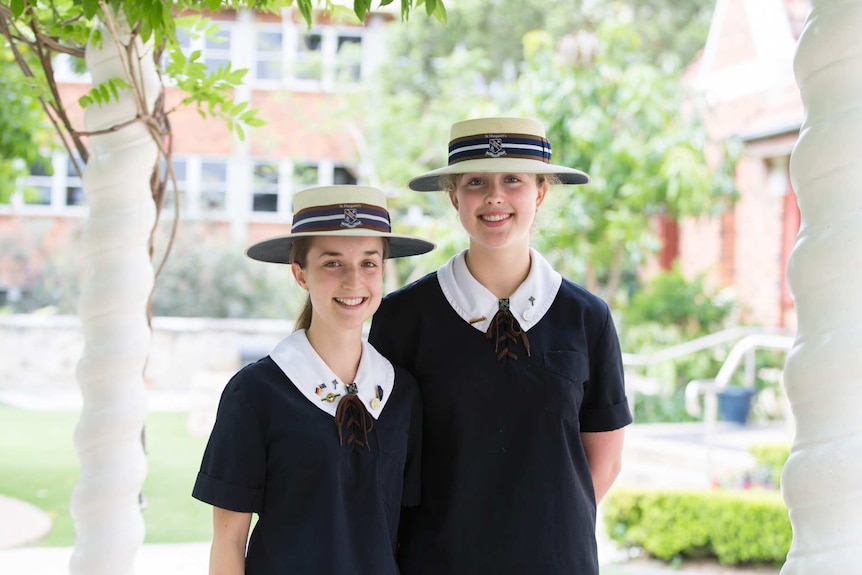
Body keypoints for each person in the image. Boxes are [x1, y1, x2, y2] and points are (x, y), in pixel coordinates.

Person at [369, 117, 632, 575]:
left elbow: (604, 463)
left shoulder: (587, 317)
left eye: (513, 179)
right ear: (453, 196)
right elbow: (385, 463)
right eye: (476, 182)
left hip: (558, 561)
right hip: (437, 562)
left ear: (540, 192)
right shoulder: (403, 318)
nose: (495, 197)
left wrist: (544, 531)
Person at [192, 185, 434, 575]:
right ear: (300, 274)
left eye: (369, 263)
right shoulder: (255, 393)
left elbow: (401, 532)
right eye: (333, 263)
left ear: (383, 272)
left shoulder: (400, 393)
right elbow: (228, 540)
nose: (354, 281)